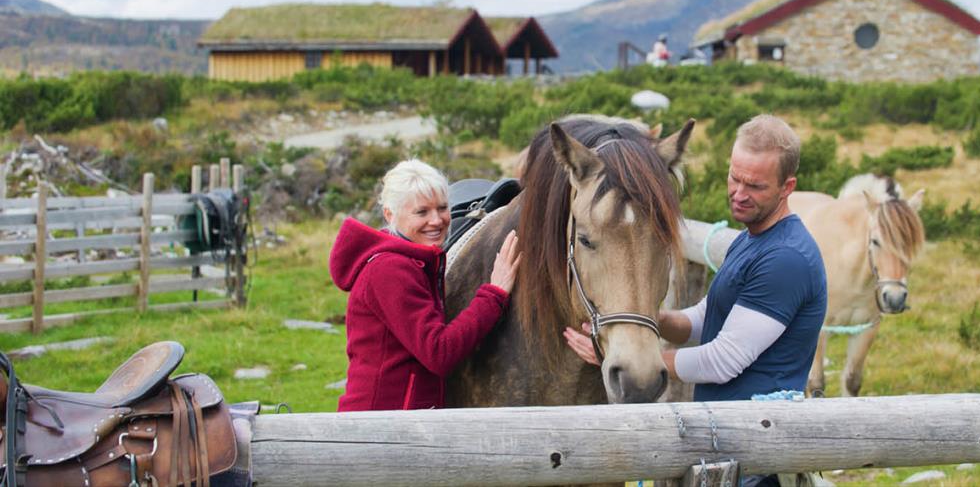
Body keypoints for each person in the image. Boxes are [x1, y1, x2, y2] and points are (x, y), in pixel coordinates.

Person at [564, 115, 825, 486]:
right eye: (735, 177)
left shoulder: (786, 259)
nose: (739, 192)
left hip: (759, 457)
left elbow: (722, 361)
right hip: (730, 448)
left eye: (755, 185)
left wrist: (637, 360)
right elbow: (708, 317)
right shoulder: (751, 240)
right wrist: (640, 319)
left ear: (787, 187)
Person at [331, 158, 521, 411]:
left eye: (442, 208)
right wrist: (494, 294)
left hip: (398, 420)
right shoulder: (390, 270)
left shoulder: (415, 260)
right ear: (390, 215)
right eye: (422, 212)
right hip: (380, 429)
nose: (437, 220)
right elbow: (438, 353)